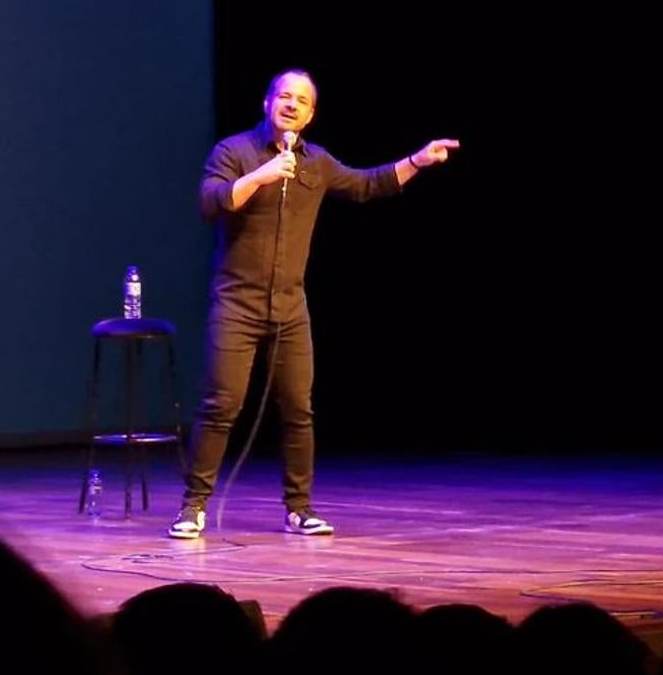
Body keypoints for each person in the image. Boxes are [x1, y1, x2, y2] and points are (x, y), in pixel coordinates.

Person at [168, 69, 459, 539]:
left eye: (301, 100)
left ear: (311, 114)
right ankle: (192, 508)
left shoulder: (317, 162)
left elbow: (368, 184)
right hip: (236, 303)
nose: (291, 104)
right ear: (267, 103)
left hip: (289, 307)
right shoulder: (234, 151)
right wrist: (261, 176)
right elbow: (211, 202)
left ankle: (299, 509)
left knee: (298, 409)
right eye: (284, 96)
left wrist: (417, 161)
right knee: (221, 405)